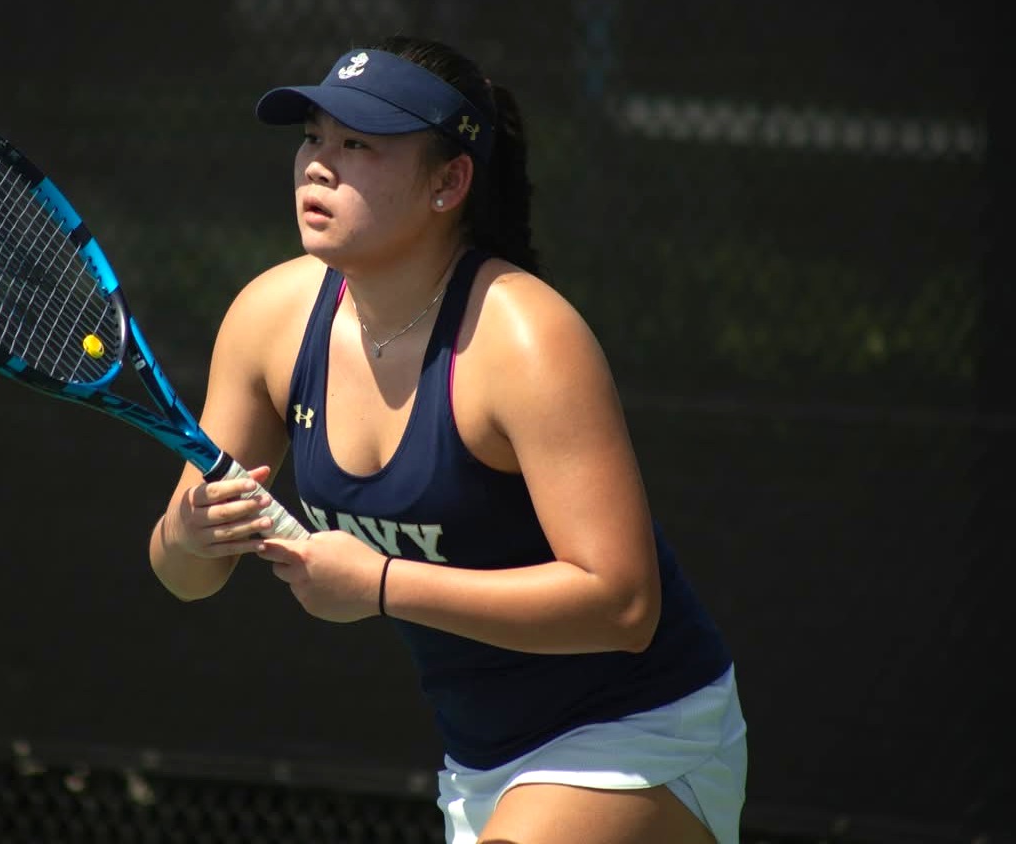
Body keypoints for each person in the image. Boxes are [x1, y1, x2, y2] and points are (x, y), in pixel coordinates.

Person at [147, 35, 748, 844]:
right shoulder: (269, 319)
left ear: (449, 181)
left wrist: (384, 584)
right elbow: (187, 579)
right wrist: (189, 533)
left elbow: (624, 606)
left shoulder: (527, 340)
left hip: (639, 730)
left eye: (358, 144)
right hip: (479, 765)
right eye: (312, 138)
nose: (318, 166)